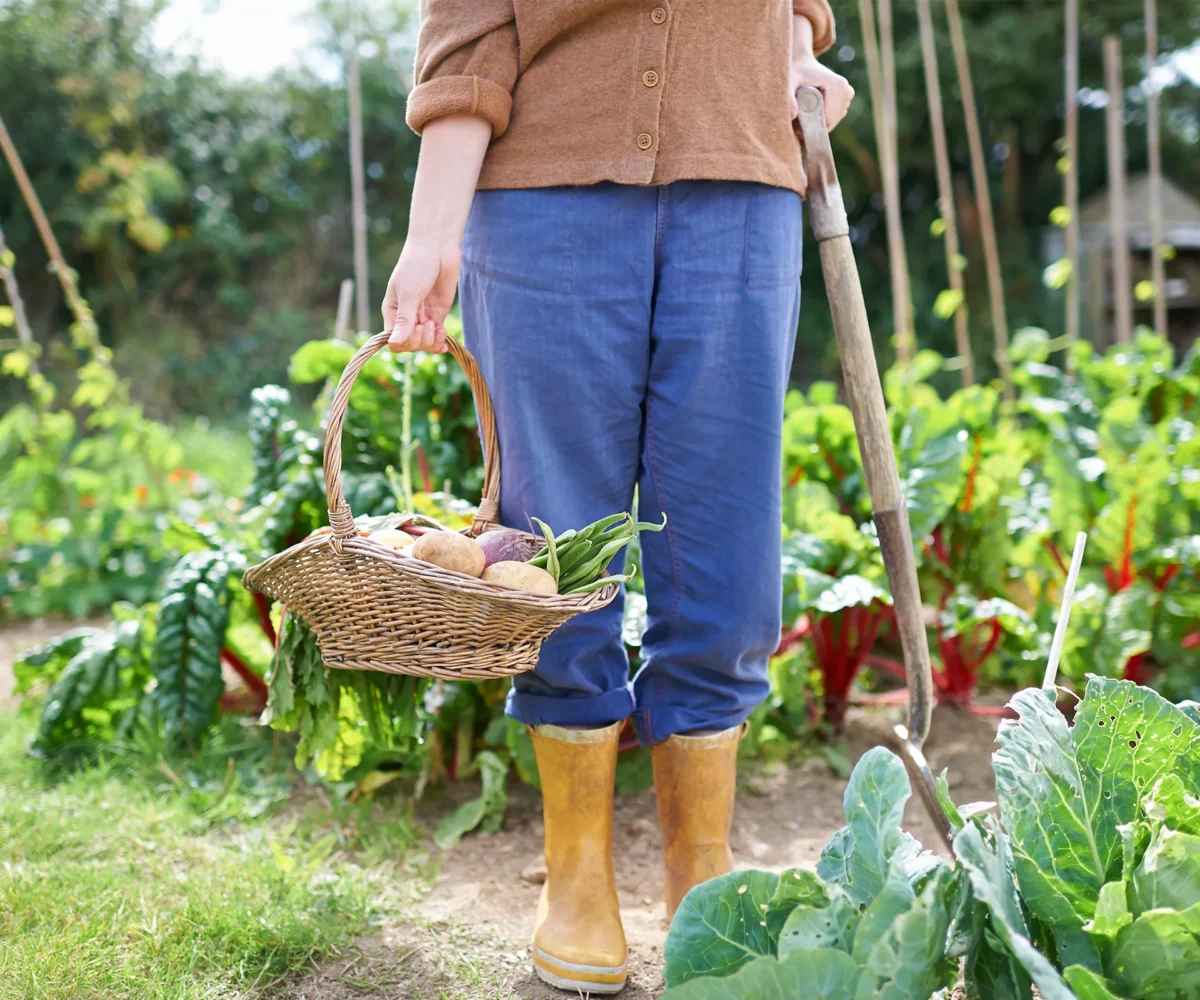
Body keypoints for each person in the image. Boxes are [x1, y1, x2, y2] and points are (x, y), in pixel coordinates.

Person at [381, 2, 852, 993]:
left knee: (725, 545)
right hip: (542, 202)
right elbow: (468, 40)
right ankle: (578, 877)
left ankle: (701, 878)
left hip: (742, 193)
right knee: (553, 553)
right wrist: (432, 236)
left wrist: (801, 54)